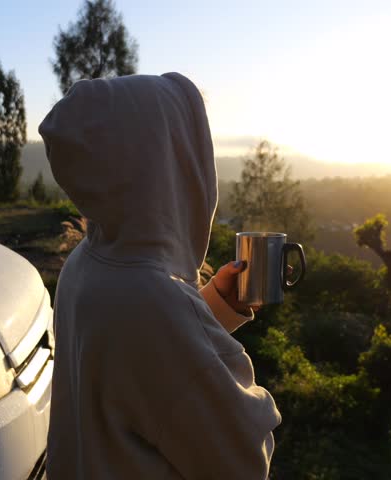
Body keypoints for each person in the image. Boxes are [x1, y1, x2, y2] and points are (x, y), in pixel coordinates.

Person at [39, 72, 281, 479]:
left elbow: (138, 366)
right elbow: (243, 459)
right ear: (172, 162)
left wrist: (214, 306)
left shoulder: (86, 264)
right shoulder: (151, 302)